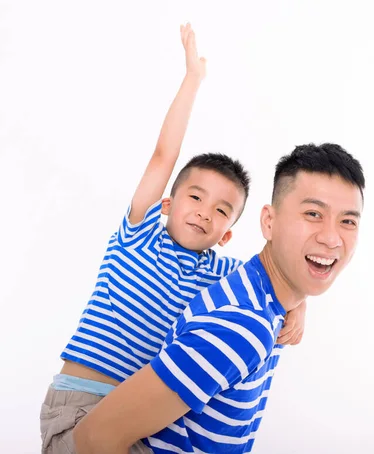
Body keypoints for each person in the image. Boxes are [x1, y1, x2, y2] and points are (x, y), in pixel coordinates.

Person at [40, 23, 306, 453]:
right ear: (167, 204)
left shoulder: (222, 273)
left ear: (227, 234)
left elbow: (280, 273)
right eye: (195, 197)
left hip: (142, 424)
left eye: (221, 209)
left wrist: (301, 303)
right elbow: (163, 156)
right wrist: (192, 79)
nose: (205, 211)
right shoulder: (140, 234)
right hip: (82, 404)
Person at [72, 142, 366, 453]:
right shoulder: (243, 326)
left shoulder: (254, 291)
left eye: (348, 221)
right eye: (313, 213)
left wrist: (300, 301)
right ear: (269, 222)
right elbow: (95, 437)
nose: (331, 238)